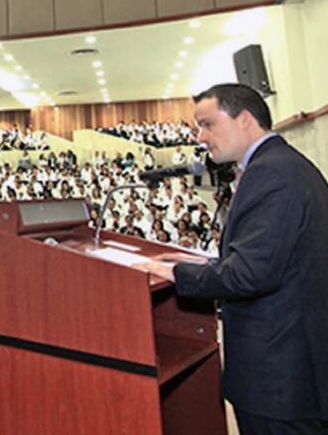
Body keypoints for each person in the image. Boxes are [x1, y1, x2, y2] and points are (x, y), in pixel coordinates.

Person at [135, 84, 328, 435]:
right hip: (289, 368)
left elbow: (249, 275)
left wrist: (171, 271)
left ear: (245, 119)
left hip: (279, 376)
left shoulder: (271, 174)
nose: (200, 136)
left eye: (208, 124)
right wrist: (200, 261)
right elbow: (269, 257)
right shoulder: (283, 166)